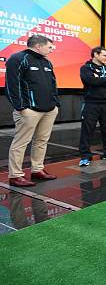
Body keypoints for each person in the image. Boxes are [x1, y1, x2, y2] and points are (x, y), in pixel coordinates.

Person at [5, 35, 60, 187]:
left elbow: (53, 84)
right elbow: (11, 86)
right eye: (49, 46)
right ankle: (15, 175)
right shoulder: (18, 59)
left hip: (49, 109)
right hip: (29, 111)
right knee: (21, 142)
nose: (52, 49)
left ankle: (37, 170)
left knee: (41, 141)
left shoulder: (46, 61)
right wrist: (21, 107)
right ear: (38, 46)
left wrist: (55, 104)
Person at [78, 47, 106, 166]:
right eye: (104, 55)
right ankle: (85, 156)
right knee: (87, 130)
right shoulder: (86, 68)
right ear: (96, 55)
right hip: (91, 103)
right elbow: (90, 80)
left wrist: (100, 80)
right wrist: (105, 80)